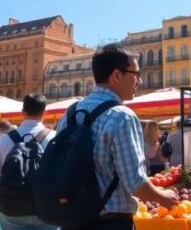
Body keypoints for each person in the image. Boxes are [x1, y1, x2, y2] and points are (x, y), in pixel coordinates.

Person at [56, 44, 178, 230]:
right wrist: (163, 197)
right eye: (136, 74)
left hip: (71, 218)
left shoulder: (69, 114)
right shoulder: (122, 116)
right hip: (109, 222)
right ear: (116, 75)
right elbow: (134, 183)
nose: (140, 81)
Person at [0, 94, 55, 230]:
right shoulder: (54, 137)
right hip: (45, 208)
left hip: (12, 209)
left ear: (22, 112)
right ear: (45, 113)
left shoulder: (5, 139)